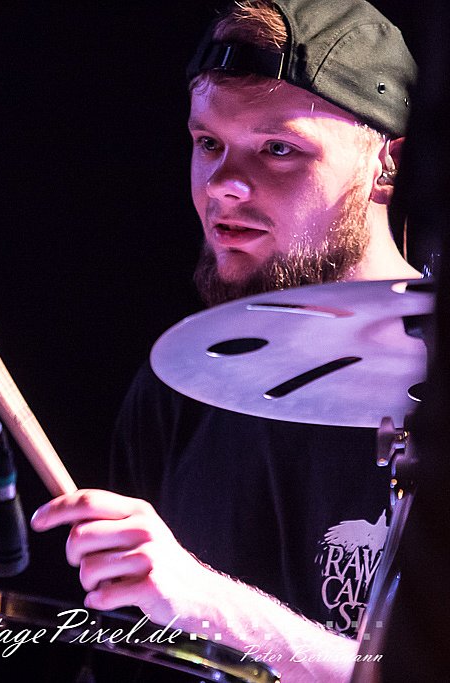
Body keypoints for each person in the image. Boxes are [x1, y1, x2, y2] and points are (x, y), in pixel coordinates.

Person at [30, 1, 420, 680]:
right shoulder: (177, 390)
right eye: (209, 144)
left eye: (278, 149)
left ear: (386, 163)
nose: (224, 187)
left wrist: (206, 603)